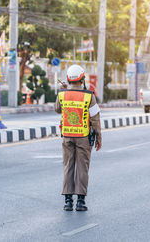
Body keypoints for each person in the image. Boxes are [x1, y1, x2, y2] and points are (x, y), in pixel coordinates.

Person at [55, 65, 102, 211]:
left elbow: (58, 109)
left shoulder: (62, 94)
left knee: (68, 166)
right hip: (83, 137)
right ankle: (80, 202)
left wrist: (64, 90)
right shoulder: (89, 95)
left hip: (67, 136)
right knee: (82, 168)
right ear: (83, 78)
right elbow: (95, 118)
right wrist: (99, 137)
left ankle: (68, 201)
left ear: (68, 79)